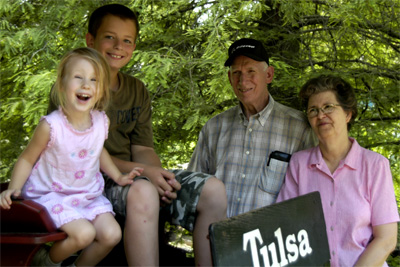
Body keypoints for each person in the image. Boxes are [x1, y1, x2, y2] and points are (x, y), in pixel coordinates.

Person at [49, 4, 227, 266]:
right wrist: (145, 174)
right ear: (91, 40)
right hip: (87, 181)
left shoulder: (136, 89)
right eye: (109, 37)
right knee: (143, 191)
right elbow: (86, 154)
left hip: (133, 175)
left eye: (127, 40)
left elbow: (143, 148)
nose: (118, 45)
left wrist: (161, 179)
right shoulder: (73, 88)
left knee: (213, 190)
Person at [0, 47, 144, 267]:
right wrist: (14, 188)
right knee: (84, 234)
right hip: (52, 194)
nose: (86, 84)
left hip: (86, 195)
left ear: (101, 90)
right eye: (78, 77)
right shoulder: (52, 126)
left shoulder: (100, 121)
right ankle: (45, 262)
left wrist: (118, 176)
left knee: (111, 235)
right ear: (62, 84)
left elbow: (99, 152)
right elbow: (27, 159)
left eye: (94, 80)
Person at [276, 75, 399, 266]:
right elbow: (286, 226)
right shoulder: (299, 164)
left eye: (328, 107)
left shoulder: (375, 165)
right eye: (313, 110)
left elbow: (386, 240)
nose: (320, 115)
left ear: (348, 114)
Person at [188, 38, 316, 217]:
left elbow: (311, 195)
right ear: (229, 77)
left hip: (271, 241)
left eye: (251, 71)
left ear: (269, 75)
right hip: (218, 239)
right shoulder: (214, 128)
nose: (243, 81)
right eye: (236, 73)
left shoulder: (299, 128)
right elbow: (193, 187)